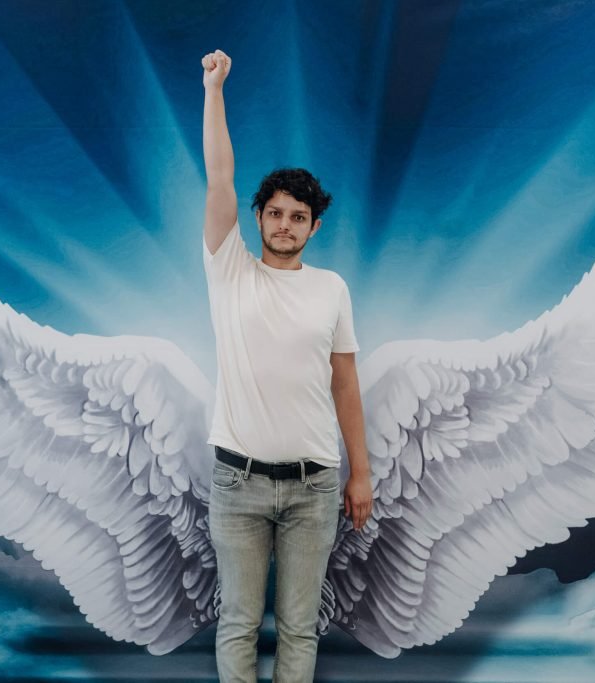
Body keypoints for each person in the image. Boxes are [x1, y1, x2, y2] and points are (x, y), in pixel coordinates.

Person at [200, 48, 373, 683]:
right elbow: (219, 177)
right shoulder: (229, 269)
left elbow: (345, 383)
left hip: (314, 485)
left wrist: (361, 472)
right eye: (274, 213)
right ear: (258, 218)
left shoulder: (332, 289)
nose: (284, 224)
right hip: (238, 482)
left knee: (300, 626)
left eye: (298, 217)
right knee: (239, 621)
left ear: (313, 227)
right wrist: (214, 90)